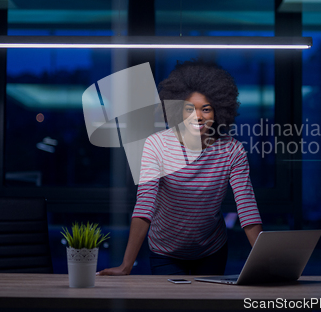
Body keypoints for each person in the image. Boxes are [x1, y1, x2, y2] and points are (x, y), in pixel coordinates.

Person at [98, 60, 262, 276]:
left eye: (206, 109)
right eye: (189, 109)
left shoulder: (232, 150)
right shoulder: (157, 145)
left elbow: (247, 208)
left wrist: (266, 263)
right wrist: (126, 265)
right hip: (165, 251)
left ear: (218, 111)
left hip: (212, 249)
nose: (198, 116)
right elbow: (144, 206)